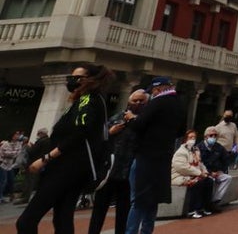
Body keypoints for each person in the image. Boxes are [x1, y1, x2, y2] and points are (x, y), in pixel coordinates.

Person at [17, 63, 116, 234]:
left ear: (90, 80)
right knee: (62, 219)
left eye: (77, 77)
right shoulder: (85, 101)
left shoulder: (88, 100)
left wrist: (46, 158)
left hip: (66, 168)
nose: (72, 81)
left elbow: (80, 133)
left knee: (27, 221)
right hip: (74, 170)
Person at [125, 76, 185, 234]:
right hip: (164, 155)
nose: (152, 93)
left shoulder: (157, 102)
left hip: (146, 155)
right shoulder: (179, 104)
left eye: (152, 91)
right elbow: (181, 131)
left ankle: (131, 232)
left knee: (138, 199)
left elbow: (139, 125)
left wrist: (131, 119)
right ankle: (146, 231)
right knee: (153, 199)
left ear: (158, 89)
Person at [88, 89, 148, 234]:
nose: (138, 103)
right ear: (129, 102)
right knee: (99, 210)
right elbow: (99, 137)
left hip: (128, 173)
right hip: (109, 171)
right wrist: (110, 132)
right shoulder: (117, 118)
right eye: (135, 100)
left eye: (142, 101)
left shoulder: (144, 122)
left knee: (124, 211)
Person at [170, 130, 213, 219]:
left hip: (192, 174)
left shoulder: (195, 150)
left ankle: (204, 207)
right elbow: (183, 167)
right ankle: (192, 210)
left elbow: (200, 163)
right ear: (185, 139)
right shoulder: (181, 152)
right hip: (179, 176)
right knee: (197, 183)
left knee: (209, 181)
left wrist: (205, 172)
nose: (193, 139)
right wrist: (200, 173)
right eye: (190, 137)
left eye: (194, 137)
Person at [197, 126, 233, 210]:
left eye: (215, 135)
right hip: (204, 172)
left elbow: (226, 160)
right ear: (205, 136)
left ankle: (215, 201)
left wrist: (220, 170)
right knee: (210, 181)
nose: (213, 137)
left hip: (217, 172)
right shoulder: (199, 147)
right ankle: (206, 203)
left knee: (227, 178)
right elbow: (200, 163)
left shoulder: (219, 147)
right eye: (211, 135)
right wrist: (209, 172)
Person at [0, 130, 25, 202]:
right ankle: (0, 197)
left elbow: (16, 154)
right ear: (12, 136)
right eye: (15, 135)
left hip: (10, 165)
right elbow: (3, 153)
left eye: (18, 135)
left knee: (11, 181)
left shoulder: (19, 144)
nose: (17, 136)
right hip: (3, 164)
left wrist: (11, 153)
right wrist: (12, 153)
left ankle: (10, 195)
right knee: (3, 181)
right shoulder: (5, 144)